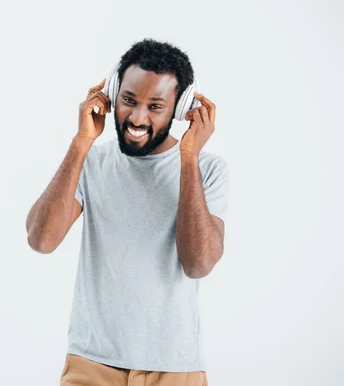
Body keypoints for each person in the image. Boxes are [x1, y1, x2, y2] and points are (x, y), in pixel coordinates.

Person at [25, 38, 229, 386]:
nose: (137, 118)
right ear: (113, 93)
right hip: (92, 363)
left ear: (180, 109)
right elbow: (41, 240)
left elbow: (198, 264)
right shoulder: (90, 161)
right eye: (129, 101)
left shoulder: (207, 170)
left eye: (155, 107)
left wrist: (189, 158)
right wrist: (81, 141)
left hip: (175, 367)